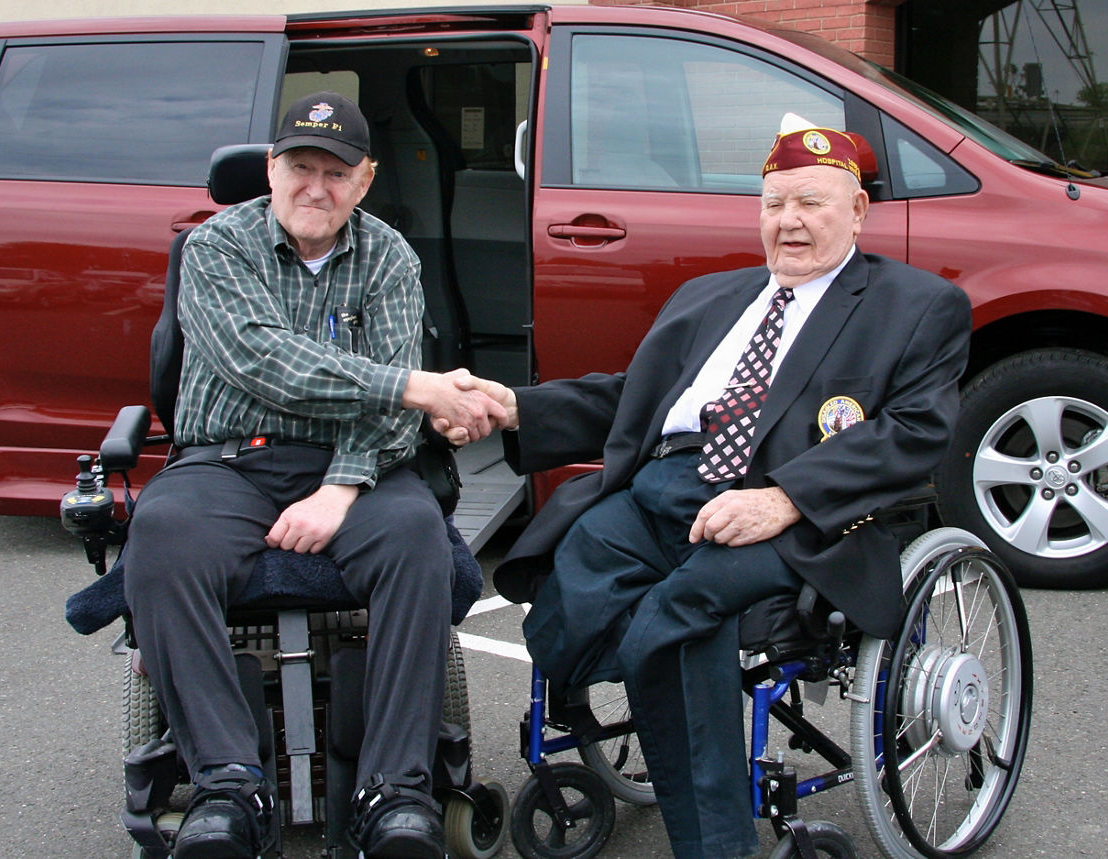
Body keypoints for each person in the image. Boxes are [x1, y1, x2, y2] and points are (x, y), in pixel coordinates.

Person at [441, 126, 972, 858]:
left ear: (856, 211)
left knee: (678, 620)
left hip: (793, 513)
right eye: (773, 203)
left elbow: (914, 431)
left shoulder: (915, 305)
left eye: (810, 203)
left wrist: (784, 497)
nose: (788, 221)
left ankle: (716, 843)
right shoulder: (711, 296)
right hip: (666, 485)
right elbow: (635, 400)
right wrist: (517, 406)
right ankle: (653, 704)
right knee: (575, 575)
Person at [122, 91, 506, 859]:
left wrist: (343, 484)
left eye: (336, 173)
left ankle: (394, 789)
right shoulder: (215, 249)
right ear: (271, 171)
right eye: (301, 167)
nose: (316, 188)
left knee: (414, 537)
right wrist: (411, 384)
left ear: (364, 181)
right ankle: (229, 781)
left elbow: (397, 418)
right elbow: (264, 360)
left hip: (354, 465)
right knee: (161, 536)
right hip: (226, 459)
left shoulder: (390, 255)